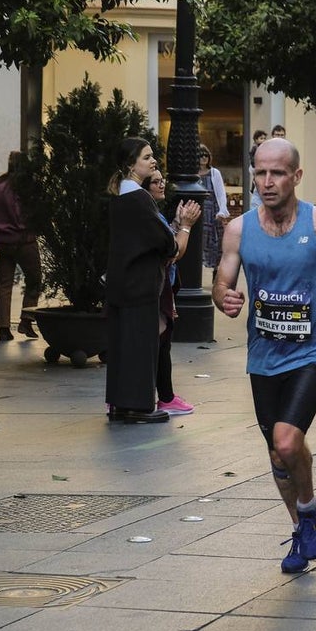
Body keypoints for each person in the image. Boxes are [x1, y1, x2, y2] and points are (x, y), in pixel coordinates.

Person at [213, 137, 316, 573]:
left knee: (287, 440)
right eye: (260, 173)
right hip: (263, 355)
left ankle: (307, 507)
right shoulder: (239, 230)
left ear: (296, 177)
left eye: (277, 173)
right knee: (278, 453)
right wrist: (224, 298)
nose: (267, 182)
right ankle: (303, 524)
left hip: (312, 351)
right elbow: (222, 280)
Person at [105, 138, 194, 425]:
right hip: (141, 284)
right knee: (141, 345)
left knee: (123, 344)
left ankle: (120, 403)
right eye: (146, 157)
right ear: (131, 165)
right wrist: (182, 228)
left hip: (122, 282)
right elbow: (166, 242)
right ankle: (139, 405)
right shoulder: (139, 199)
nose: (153, 161)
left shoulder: (119, 196)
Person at [145, 169, 201, 415]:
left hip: (158, 287)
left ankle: (163, 396)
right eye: (156, 182)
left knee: (161, 339)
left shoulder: (151, 213)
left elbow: (167, 239)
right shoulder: (146, 213)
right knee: (159, 340)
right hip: (153, 289)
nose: (162, 185)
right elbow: (173, 252)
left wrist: (177, 223)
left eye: (162, 180)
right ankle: (164, 397)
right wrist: (186, 227)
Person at [0, 150, 42, 341]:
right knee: (34, 280)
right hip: (25, 241)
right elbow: (37, 212)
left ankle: (4, 329)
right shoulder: (29, 187)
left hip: (1, 242)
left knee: (3, 285)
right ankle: (26, 320)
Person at [198, 145, 230, 271]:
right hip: (198, 210)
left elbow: (221, 193)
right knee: (200, 241)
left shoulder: (214, 173)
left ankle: (215, 270)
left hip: (212, 211)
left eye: (206, 155)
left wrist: (222, 210)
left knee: (215, 242)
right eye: (201, 155)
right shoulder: (193, 174)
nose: (204, 158)